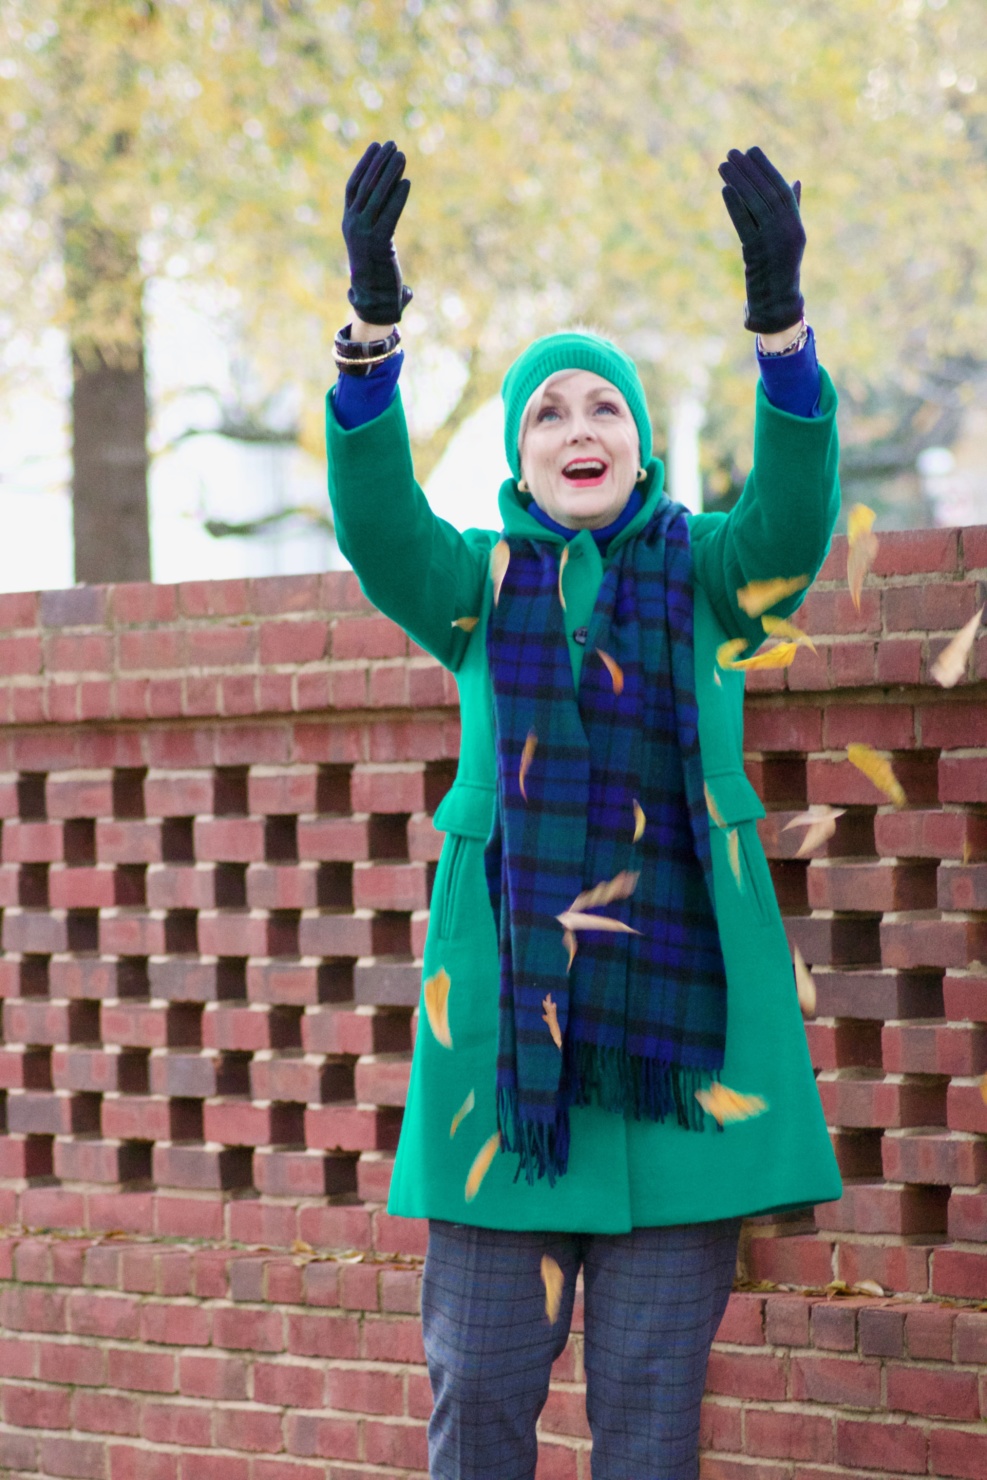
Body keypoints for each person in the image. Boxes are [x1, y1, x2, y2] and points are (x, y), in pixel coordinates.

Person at [325, 139, 841, 1480]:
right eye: (547, 414)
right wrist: (371, 337)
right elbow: (378, 525)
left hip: (682, 1093)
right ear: (518, 456)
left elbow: (791, 522)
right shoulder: (478, 590)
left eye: (601, 410)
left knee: (653, 1439)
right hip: (510, 1096)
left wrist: (781, 327)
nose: (578, 431)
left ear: (641, 443)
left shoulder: (712, 575)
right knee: (480, 1418)